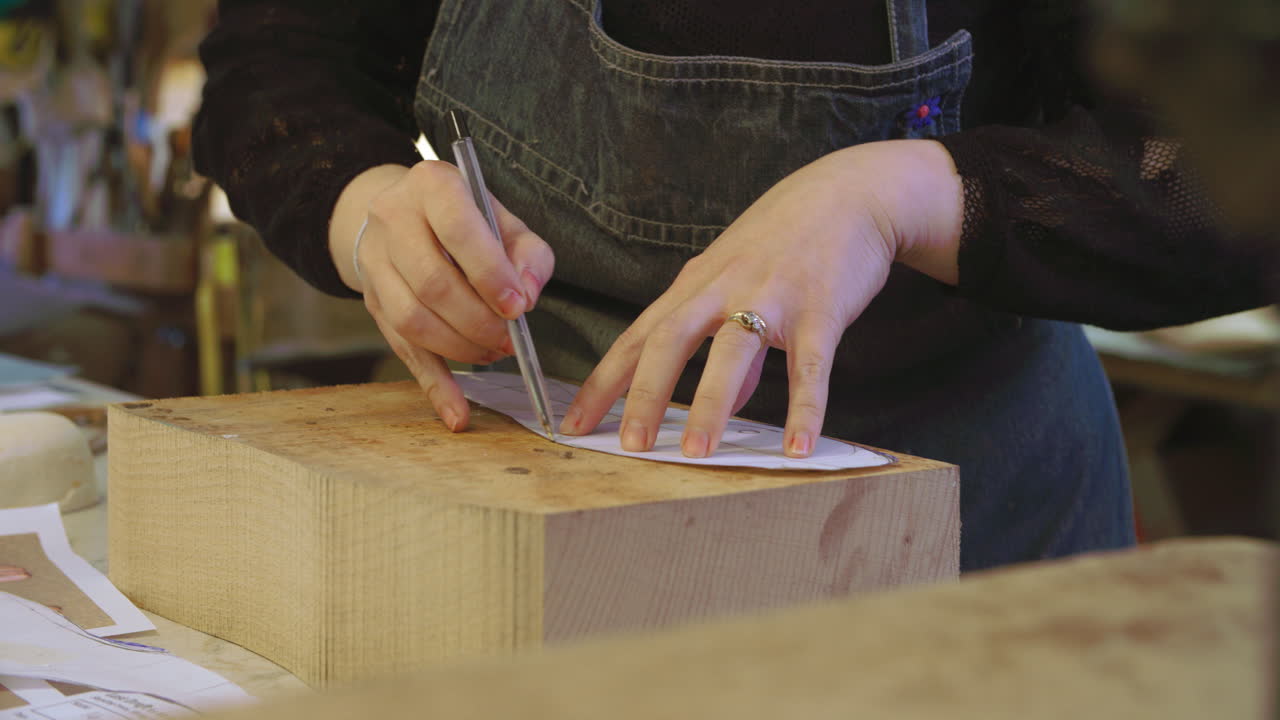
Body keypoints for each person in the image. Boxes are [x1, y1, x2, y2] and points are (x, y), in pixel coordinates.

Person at [192, 0, 1275, 572]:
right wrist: (361, 203)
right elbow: (270, 67)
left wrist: (906, 193)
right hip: (535, 512)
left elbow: (1235, 176)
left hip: (960, 525)